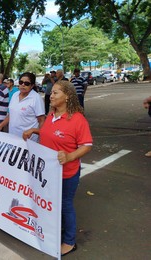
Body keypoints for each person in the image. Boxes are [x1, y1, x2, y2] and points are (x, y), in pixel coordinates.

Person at [22, 80, 93, 256]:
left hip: (66, 173)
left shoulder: (77, 120)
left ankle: (69, 241)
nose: (50, 96)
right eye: (51, 92)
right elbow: (50, 135)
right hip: (47, 173)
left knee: (65, 205)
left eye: (55, 93)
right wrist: (35, 131)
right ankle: (55, 230)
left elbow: (86, 145)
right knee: (52, 203)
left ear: (67, 96)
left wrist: (69, 156)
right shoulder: (51, 116)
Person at [0, 72, 45, 142]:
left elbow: (42, 120)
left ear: (32, 85)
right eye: (21, 82)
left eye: (26, 83)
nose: (23, 85)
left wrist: (42, 138)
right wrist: (0, 126)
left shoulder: (36, 98)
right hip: (12, 137)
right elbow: (11, 114)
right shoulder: (15, 95)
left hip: (29, 140)